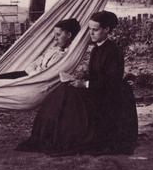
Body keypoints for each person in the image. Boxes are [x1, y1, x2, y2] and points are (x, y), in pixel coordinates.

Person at [16, 11, 138, 156]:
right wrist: (77, 79)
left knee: (67, 95)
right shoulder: (97, 48)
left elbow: (111, 82)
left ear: (107, 29)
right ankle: (47, 135)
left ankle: (60, 136)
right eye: (90, 29)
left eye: (95, 29)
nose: (91, 33)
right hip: (96, 90)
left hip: (108, 97)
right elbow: (96, 75)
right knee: (64, 89)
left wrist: (84, 84)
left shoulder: (113, 51)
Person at [0, 18, 81, 79]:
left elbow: (48, 73)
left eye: (58, 35)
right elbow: (36, 63)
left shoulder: (67, 55)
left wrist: (32, 73)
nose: (55, 39)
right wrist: (31, 71)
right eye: (54, 35)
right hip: (27, 74)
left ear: (69, 35)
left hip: (32, 80)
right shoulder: (54, 49)